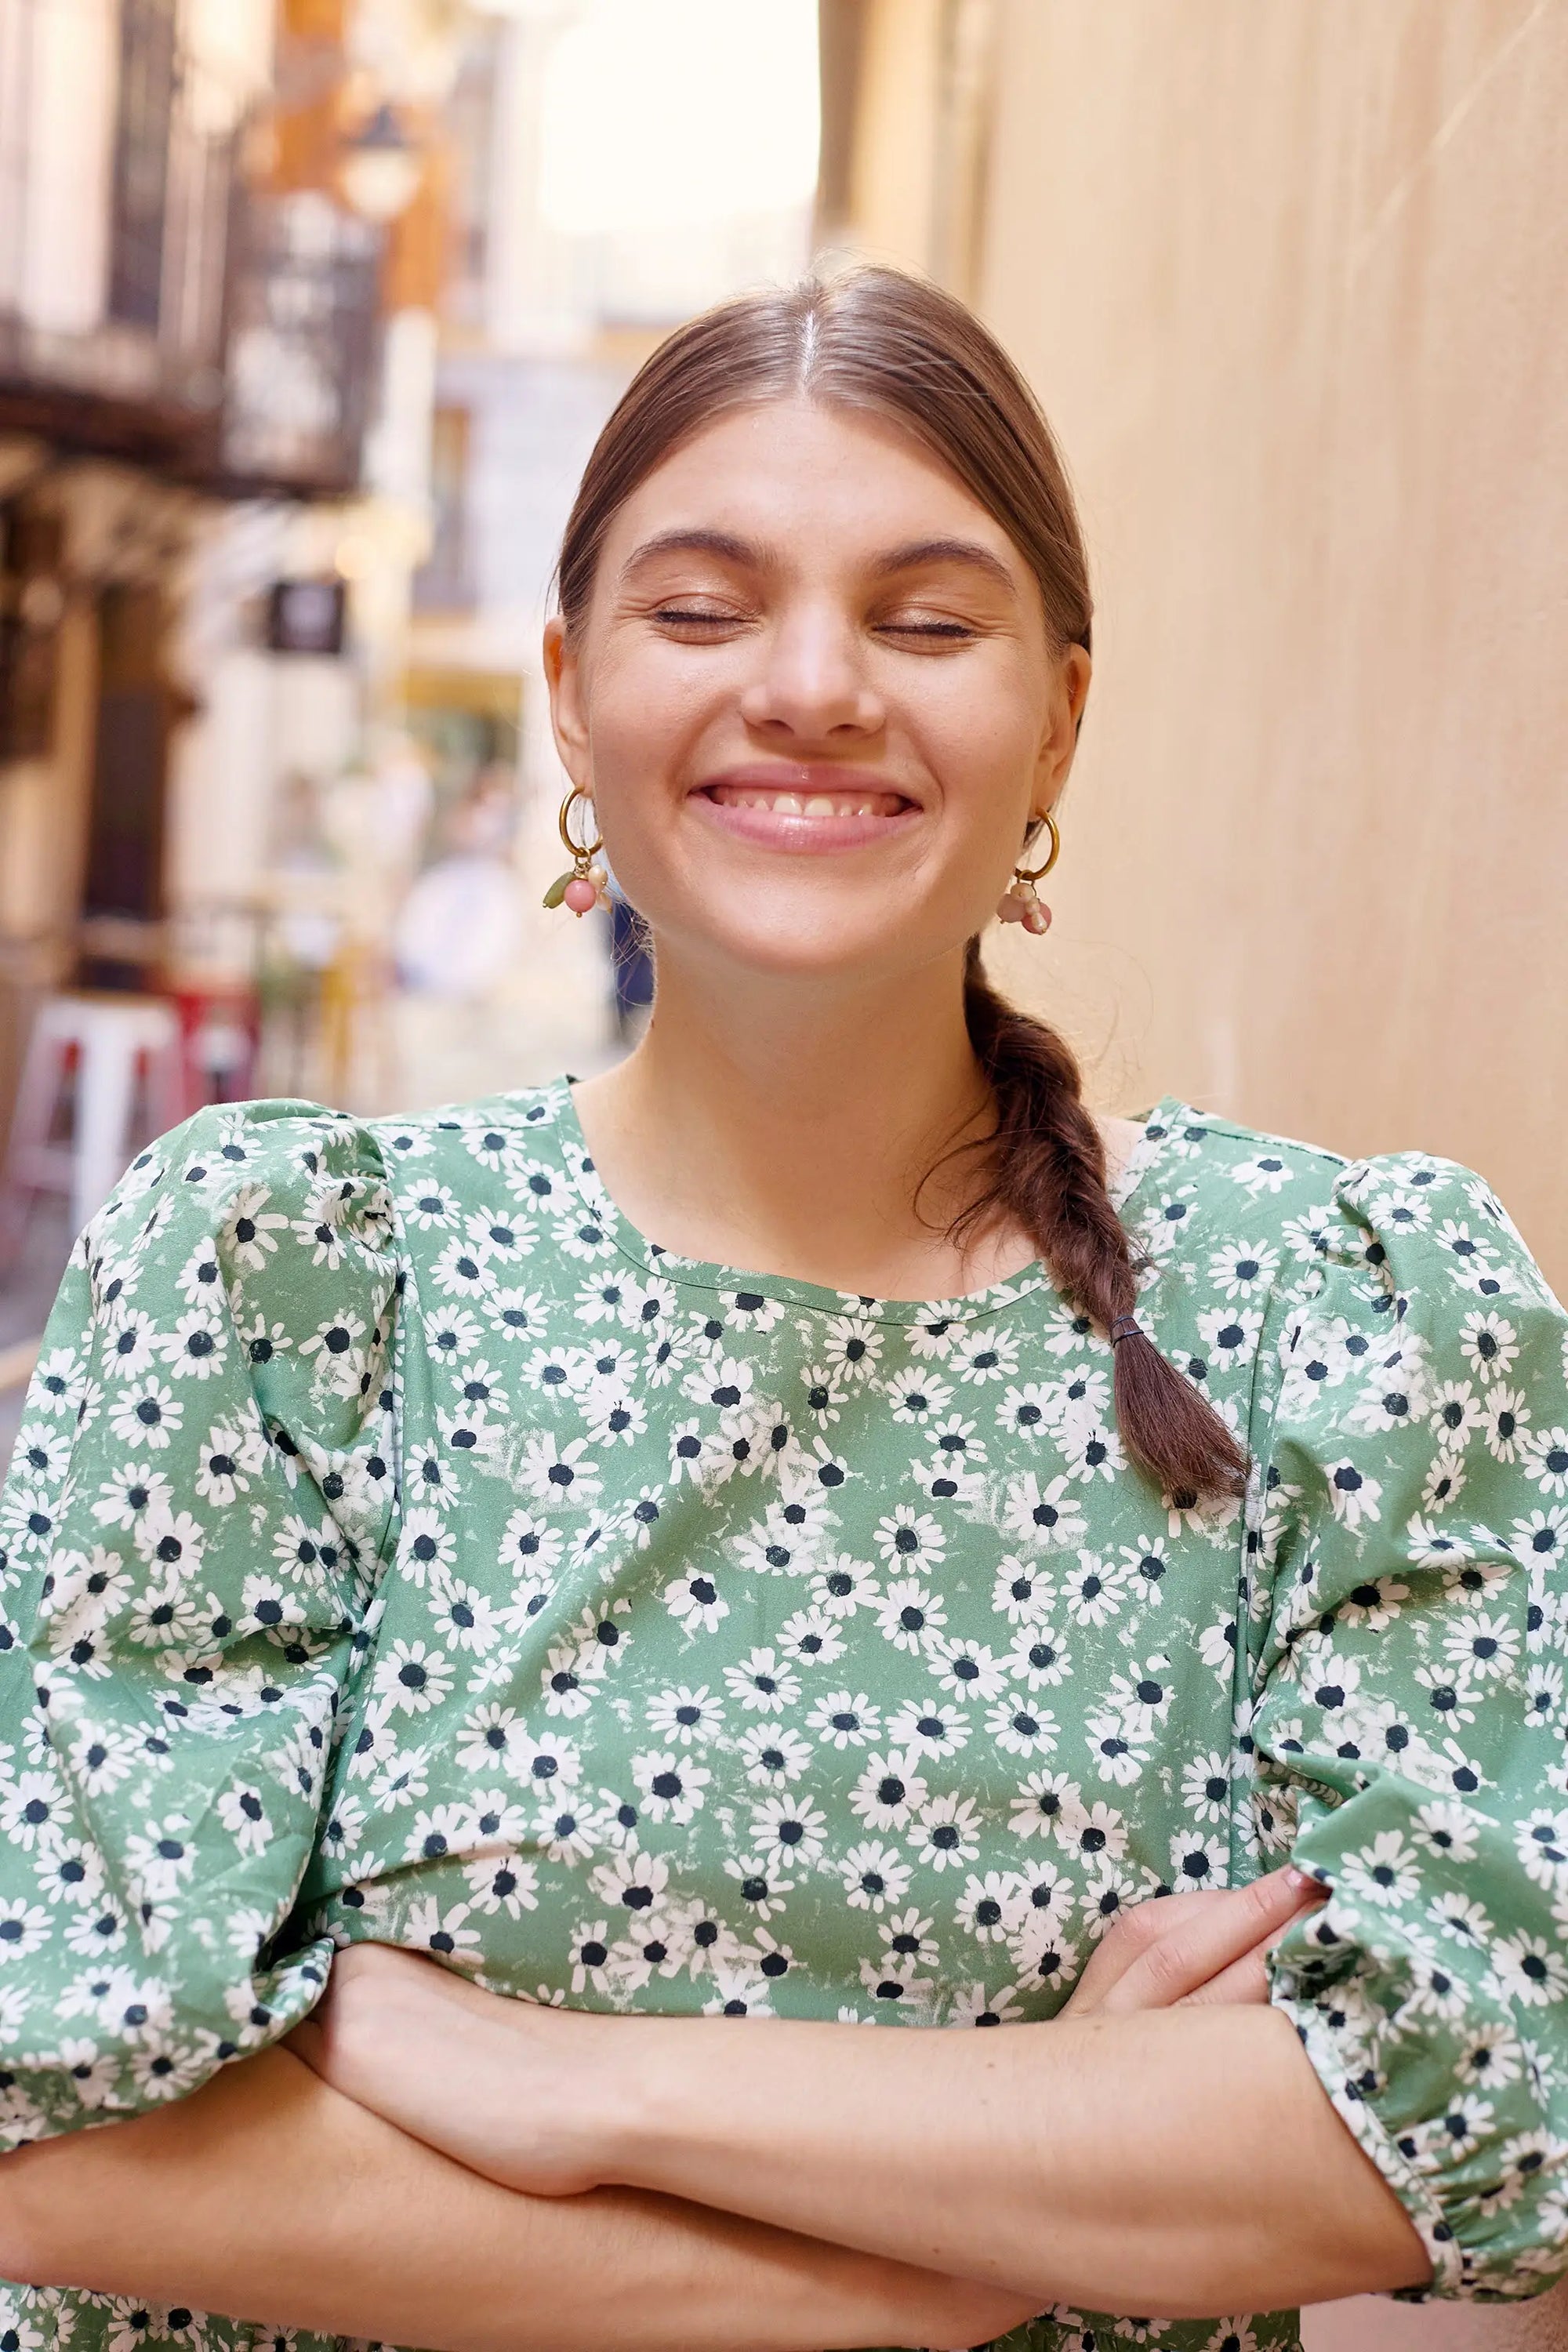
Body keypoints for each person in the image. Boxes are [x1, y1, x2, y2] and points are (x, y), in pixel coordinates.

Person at [1, 267, 1565, 2352]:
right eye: (704, 606)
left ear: (1063, 714)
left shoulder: (1336, 1324)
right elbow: (64, 2121)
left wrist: (573, 2083)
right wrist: (972, 2244)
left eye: (926, 619)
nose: (815, 685)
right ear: (570, 689)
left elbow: (1463, 2122)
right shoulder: (287, 1279)